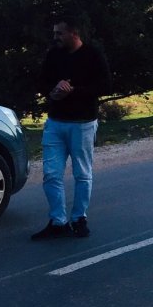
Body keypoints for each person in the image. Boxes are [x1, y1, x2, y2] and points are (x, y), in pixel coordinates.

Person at [31, 15, 111, 240]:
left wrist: (74, 91)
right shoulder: (53, 55)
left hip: (82, 124)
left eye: (59, 33)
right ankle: (58, 222)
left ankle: (79, 219)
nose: (55, 37)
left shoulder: (92, 54)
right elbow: (41, 82)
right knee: (51, 174)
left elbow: (105, 85)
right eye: (54, 32)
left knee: (82, 174)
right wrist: (53, 89)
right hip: (55, 123)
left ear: (74, 33)